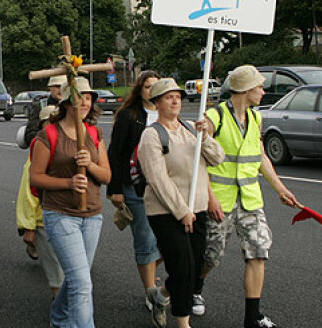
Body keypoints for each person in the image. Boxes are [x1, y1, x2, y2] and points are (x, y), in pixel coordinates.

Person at [193, 65, 300, 328]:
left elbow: (260, 156)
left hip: (250, 199)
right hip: (220, 199)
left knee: (259, 251)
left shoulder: (256, 118)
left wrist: (280, 188)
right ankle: (196, 284)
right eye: (259, 87)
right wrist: (210, 198)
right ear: (244, 90)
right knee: (211, 256)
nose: (264, 92)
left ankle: (252, 317)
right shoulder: (214, 116)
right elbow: (199, 160)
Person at [137, 78, 224, 328]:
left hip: (197, 209)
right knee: (183, 268)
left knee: (193, 267)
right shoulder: (151, 135)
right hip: (166, 212)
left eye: (177, 96)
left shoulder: (189, 129)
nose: (175, 100)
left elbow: (217, 159)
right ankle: (183, 323)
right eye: (168, 97)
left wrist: (205, 135)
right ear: (157, 103)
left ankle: (162, 296)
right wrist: (181, 211)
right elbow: (158, 179)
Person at [29, 77, 111, 328]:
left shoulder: (95, 133)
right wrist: (69, 183)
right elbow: (36, 177)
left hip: (92, 214)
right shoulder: (49, 134)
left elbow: (107, 176)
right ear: (65, 102)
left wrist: (90, 165)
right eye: (79, 97)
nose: (85, 102)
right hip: (61, 214)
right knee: (82, 284)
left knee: (78, 279)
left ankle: (59, 317)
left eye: (88, 98)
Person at [107, 70, 162, 310]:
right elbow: (116, 153)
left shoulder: (167, 114)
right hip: (136, 188)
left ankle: (150, 272)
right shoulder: (130, 117)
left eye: (156, 86)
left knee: (167, 241)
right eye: (148, 86)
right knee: (146, 240)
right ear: (139, 90)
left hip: (165, 189)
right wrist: (115, 189)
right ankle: (151, 292)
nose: (152, 91)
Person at [16, 105, 64, 299]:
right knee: (58, 274)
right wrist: (29, 227)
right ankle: (61, 312)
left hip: (67, 218)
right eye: (49, 123)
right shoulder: (38, 150)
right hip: (44, 221)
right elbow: (29, 193)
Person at [24, 75, 64, 146]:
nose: (61, 90)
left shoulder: (74, 105)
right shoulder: (40, 104)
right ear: (50, 87)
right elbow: (30, 134)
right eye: (57, 86)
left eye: (64, 86)